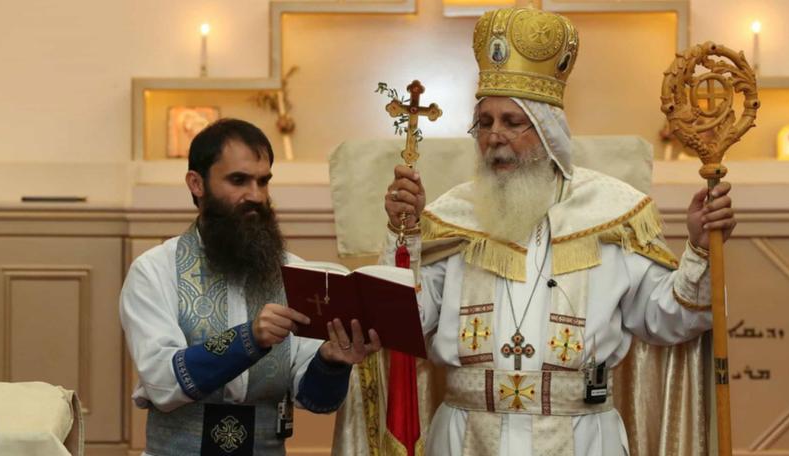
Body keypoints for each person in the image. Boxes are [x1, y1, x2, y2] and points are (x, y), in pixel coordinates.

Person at [379, 6, 735, 456]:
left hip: (581, 438)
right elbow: (406, 323)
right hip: (466, 437)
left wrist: (701, 250)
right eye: (484, 123)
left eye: (512, 122)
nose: (494, 136)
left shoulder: (610, 212)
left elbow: (671, 318)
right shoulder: (454, 217)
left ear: (548, 131)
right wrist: (403, 235)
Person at [120, 118, 381, 456]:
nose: (256, 196)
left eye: (263, 181)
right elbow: (162, 382)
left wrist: (332, 362)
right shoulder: (154, 271)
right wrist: (249, 339)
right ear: (196, 184)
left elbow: (315, 400)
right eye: (238, 180)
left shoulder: (295, 273)